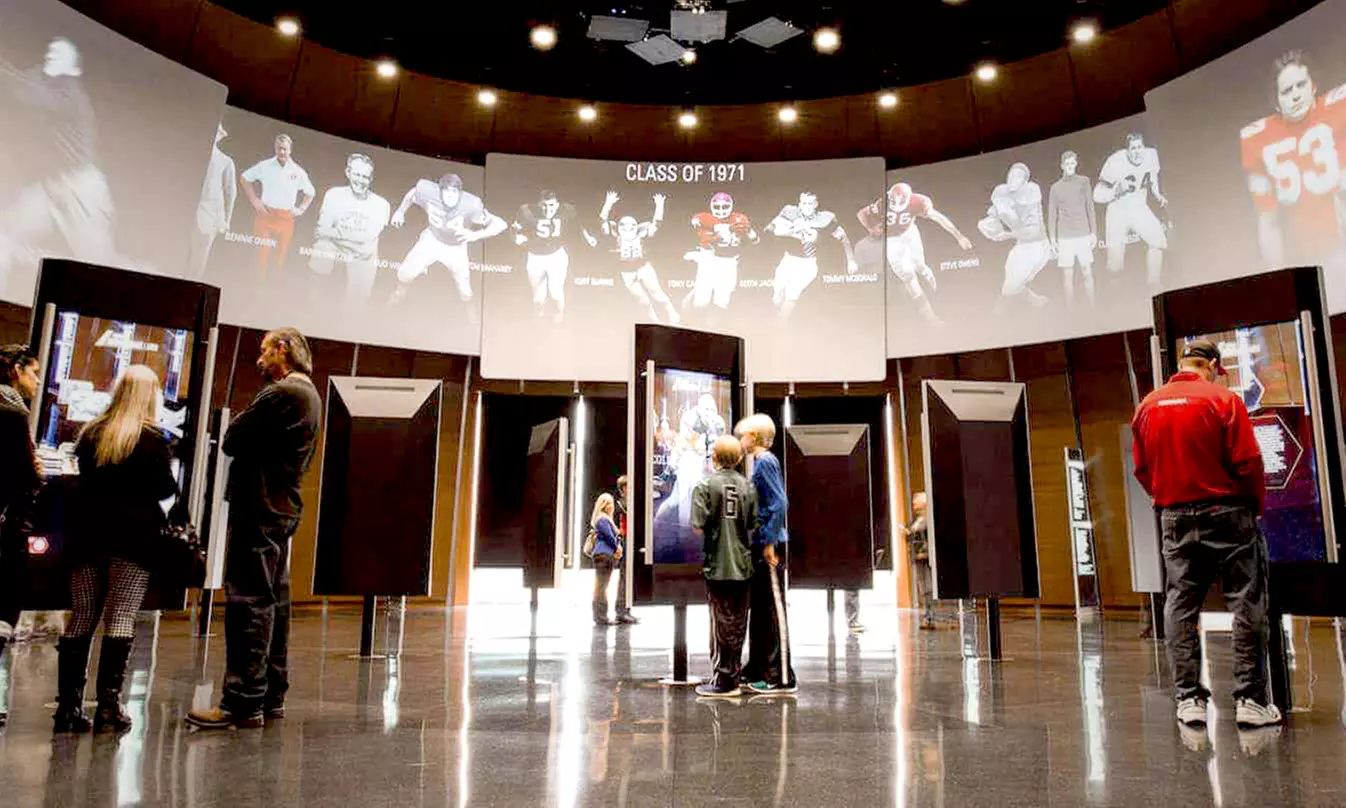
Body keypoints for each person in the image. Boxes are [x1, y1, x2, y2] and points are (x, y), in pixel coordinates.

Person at [1131, 339, 1280, 728]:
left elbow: (1143, 469)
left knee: (1180, 603)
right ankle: (1250, 700)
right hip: (1228, 512)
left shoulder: (1147, 406)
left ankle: (1188, 700)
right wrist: (1254, 507)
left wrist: (1169, 498)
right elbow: (1248, 463)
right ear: (1212, 365)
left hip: (1174, 514)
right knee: (1246, 600)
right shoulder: (1223, 401)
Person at [186, 328, 321, 730]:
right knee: (274, 602)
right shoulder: (307, 396)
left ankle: (242, 702)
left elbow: (230, 438)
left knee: (249, 602)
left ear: (283, 350)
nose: (258, 360)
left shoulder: (281, 394)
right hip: (278, 508)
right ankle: (270, 695)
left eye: (264, 351)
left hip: (259, 509)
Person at [54, 366, 178, 733]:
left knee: (82, 615)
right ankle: (109, 707)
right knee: (121, 615)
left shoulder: (92, 433)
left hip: (87, 534)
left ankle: (68, 709)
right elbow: (165, 489)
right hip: (133, 539)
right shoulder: (152, 440)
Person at [1241, 50, 1346, 271]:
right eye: (1287, 91)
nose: (1296, 95)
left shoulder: (1339, 109)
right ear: (1276, 101)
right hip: (1307, 259)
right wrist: (1275, 271)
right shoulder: (1257, 140)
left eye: (1301, 85)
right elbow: (1268, 220)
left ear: (1314, 86)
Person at [735, 413, 796, 695]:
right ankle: (758, 668)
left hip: (767, 545)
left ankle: (779, 676)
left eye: (743, 436)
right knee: (760, 610)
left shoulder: (766, 462)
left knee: (772, 610)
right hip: (760, 544)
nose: (740, 441)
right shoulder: (760, 463)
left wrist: (769, 541)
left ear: (755, 437)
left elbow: (779, 502)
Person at [692, 436, 757, 698]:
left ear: (714, 457)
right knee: (739, 621)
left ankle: (724, 680)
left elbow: (697, 526)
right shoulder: (748, 487)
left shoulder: (705, 484)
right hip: (742, 563)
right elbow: (752, 524)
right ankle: (734, 674)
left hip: (717, 563)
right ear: (740, 459)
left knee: (720, 620)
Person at [857, 182, 973, 326]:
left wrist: (959, 236)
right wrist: (871, 228)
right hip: (892, 240)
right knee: (908, 276)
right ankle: (931, 319)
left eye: (898, 202)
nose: (894, 205)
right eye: (892, 201)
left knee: (921, 266)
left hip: (910, 233)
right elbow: (862, 214)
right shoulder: (882, 203)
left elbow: (938, 217)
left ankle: (936, 294)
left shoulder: (918, 202)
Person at [387, 173, 506, 306]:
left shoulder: (471, 205)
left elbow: (501, 224)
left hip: (456, 247)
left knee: (465, 289)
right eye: (447, 190)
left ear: (460, 193)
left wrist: (475, 235)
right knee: (406, 272)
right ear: (439, 190)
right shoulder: (429, 192)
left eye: (454, 191)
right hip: (432, 238)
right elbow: (413, 194)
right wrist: (400, 211)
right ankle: (399, 293)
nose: (450, 195)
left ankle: (471, 314)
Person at [0, 345, 41, 728]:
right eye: (33, 372)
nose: (37, 381)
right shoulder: (12, 412)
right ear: (15, 370)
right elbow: (26, 474)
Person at [307, 153, 391, 304]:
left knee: (355, 306)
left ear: (371, 179)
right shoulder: (333, 194)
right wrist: (352, 237)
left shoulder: (381, 204)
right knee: (322, 248)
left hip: (363, 257)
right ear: (348, 173)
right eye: (357, 174)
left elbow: (367, 237)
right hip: (335, 250)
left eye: (365, 177)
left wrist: (335, 233)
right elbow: (322, 230)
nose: (360, 181)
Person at [764, 191, 858, 317]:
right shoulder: (789, 211)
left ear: (816, 204)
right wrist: (788, 230)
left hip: (808, 264)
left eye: (810, 203)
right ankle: (773, 317)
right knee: (777, 295)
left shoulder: (826, 218)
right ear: (799, 204)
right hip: (788, 259)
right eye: (804, 203)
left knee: (792, 294)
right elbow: (769, 229)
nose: (807, 206)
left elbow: (843, 238)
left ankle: (780, 325)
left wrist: (851, 261)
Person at [1095, 133, 1168, 290]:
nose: (1137, 151)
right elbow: (1097, 195)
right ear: (1126, 150)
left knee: (1158, 240)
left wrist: (1156, 194)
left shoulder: (1151, 155)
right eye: (1133, 148)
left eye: (1139, 147)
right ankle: (1116, 293)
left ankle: (1153, 284)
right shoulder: (1115, 161)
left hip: (1138, 207)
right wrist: (1115, 191)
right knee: (1115, 264)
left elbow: (1152, 175)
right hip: (1118, 210)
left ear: (1144, 147)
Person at [512, 190, 597, 323]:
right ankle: (538, 322)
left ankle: (559, 321)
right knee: (538, 297)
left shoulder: (568, 210)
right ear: (539, 204)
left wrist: (587, 237)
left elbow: (578, 224)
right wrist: (516, 237)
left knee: (556, 292)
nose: (548, 209)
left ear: (558, 205)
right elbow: (514, 229)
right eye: (544, 205)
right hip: (535, 257)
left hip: (556, 256)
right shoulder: (526, 211)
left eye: (551, 205)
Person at [240, 134, 315, 278]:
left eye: (285, 149)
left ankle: (274, 288)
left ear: (290, 150)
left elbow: (310, 192)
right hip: (266, 215)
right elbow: (244, 178)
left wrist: (301, 209)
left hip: (286, 217)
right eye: (279, 148)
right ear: (275, 148)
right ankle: (257, 287)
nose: (281, 152)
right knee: (261, 256)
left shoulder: (298, 171)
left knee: (280, 258)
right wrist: (255, 200)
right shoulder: (265, 165)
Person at [600, 191, 679, 324]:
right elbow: (602, 219)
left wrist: (659, 205)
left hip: (644, 269)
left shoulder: (641, 233)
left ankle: (674, 317)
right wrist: (608, 203)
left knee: (658, 296)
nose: (627, 228)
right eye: (623, 225)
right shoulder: (614, 234)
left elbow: (657, 223)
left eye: (631, 225)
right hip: (626, 273)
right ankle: (656, 324)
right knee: (643, 302)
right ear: (618, 227)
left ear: (637, 227)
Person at [982, 163, 1051, 312]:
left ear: (1025, 181)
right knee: (1011, 278)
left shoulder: (1031, 196)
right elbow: (994, 213)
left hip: (1037, 245)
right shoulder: (1001, 194)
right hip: (1022, 245)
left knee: (1010, 286)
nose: (1014, 178)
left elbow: (1033, 231)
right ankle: (1032, 299)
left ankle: (998, 313)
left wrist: (1007, 235)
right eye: (1012, 174)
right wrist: (989, 224)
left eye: (1019, 176)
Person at [684, 192, 758, 317]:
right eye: (717, 207)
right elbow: (704, 237)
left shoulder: (740, 219)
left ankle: (714, 330)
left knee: (721, 303)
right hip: (709, 259)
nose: (721, 210)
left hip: (729, 263)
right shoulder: (703, 218)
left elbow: (755, 241)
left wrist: (750, 230)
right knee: (701, 303)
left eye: (724, 207)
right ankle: (690, 311)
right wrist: (724, 230)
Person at [1048, 150, 1098, 308]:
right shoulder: (1055, 188)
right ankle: (1070, 311)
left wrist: (1094, 233)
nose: (1070, 166)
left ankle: (1093, 307)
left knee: (1087, 271)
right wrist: (1052, 239)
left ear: (1076, 163)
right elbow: (1051, 214)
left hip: (1083, 233)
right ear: (1062, 166)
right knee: (1068, 275)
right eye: (1067, 164)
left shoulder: (1084, 181)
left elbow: (1090, 207)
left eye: (1072, 163)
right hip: (1065, 236)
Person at [188, 124, 237, 279]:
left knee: (199, 258)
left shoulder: (225, 161)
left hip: (211, 215)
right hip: (188, 210)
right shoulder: (192, 152)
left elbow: (231, 192)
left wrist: (227, 220)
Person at [590, 493, 627, 627]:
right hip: (604, 556)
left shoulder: (602, 519)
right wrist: (617, 548)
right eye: (609, 503)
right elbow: (610, 538)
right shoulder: (603, 520)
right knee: (601, 587)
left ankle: (600, 616)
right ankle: (601, 616)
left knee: (601, 587)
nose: (611, 506)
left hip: (604, 556)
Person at [901, 491, 935, 630]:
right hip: (919, 558)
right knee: (924, 587)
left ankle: (930, 616)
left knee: (927, 587)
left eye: (917, 500)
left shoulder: (926, 519)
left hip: (924, 558)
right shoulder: (920, 519)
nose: (914, 503)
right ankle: (928, 615)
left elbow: (924, 538)